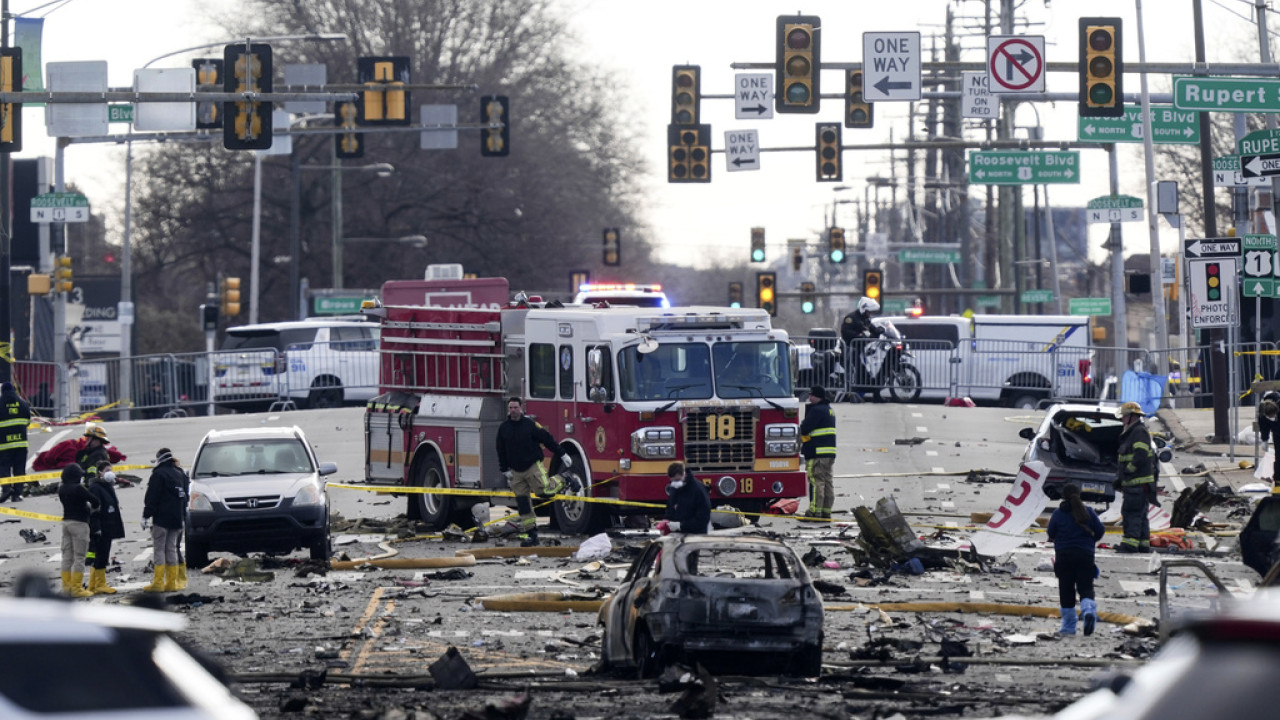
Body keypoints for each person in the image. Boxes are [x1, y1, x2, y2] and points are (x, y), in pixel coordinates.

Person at [496, 397, 580, 547]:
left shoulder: (530, 425)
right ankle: (532, 535)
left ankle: (565, 479)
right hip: (515, 472)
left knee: (544, 491)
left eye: (515, 407)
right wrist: (504, 469)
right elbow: (500, 450)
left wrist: (562, 454)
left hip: (532, 466)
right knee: (523, 504)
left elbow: (547, 439)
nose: (513, 410)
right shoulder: (504, 428)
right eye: (511, 408)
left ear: (521, 408)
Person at [1047, 483, 1105, 636]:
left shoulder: (1058, 514)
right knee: (1086, 587)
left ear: (1063, 496)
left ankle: (1069, 627)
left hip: (1064, 556)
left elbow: (1050, 533)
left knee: (1066, 590)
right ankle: (1088, 610)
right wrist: (1090, 540)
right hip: (1085, 555)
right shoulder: (1089, 512)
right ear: (1079, 495)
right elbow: (1100, 531)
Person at [142, 448, 188, 592]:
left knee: (159, 550)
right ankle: (171, 583)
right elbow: (185, 496)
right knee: (171, 549)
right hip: (177, 518)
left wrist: (146, 515)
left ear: (159, 459)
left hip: (161, 519)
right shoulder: (180, 473)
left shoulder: (158, 474)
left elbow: (152, 497)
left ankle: (158, 583)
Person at [1116, 401, 1156, 553]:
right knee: (1140, 514)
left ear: (1132, 416)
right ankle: (1143, 544)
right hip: (1137, 483)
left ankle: (1130, 545)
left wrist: (1128, 471)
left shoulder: (1138, 432)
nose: (1122, 419)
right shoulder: (1133, 431)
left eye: (1124, 416)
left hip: (1136, 482)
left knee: (1131, 513)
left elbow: (1140, 455)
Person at [57, 463, 98, 598]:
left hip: (66, 523)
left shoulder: (61, 489)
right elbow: (95, 500)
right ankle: (77, 588)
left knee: (67, 557)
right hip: (80, 524)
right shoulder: (79, 489)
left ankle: (66, 588)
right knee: (79, 557)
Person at [85, 461, 126, 595]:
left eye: (111, 469)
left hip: (108, 526)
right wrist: (96, 528)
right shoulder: (96, 488)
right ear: (100, 473)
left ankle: (93, 584)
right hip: (101, 527)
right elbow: (94, 510)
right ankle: (100, 584)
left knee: (102, 555)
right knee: (101, 555)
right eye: (107, 470)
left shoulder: (107, 486)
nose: (110, 472)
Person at [800, 385, 837, 521]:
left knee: (816, 482)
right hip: (829, 453)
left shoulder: (816, 410)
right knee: (827, 482)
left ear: (817, 396)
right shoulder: (829, 410)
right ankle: (826, 511)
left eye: (811, 395)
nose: (809, 398)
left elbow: (804, 428)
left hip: (817, 453)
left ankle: (814, 512)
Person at [656, 461, 710, 535]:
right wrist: (666, 520)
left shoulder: (698, 490)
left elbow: (703, 519)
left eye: (677, 480)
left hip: (696, 535)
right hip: (677, 534)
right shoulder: (674, 488)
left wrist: (681, 525)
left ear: (684, 474)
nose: (675, 483)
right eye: (673, 480)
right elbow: (670, 508)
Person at [0, 382, 32, 503]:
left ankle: (6, 489)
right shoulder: (23, 404)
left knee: (4, 468)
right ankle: (17, 494)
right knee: (19, 469)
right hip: (21, 444)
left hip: (4, 445)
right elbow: (28, 421)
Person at [1259, 394, 1280, 484]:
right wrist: (1264, 439)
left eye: (1274, 416)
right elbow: (1264, 428)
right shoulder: (1262, 416)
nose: (1272, 418)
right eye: (1270, 417)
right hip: (1277, 434)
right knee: (1278, 456)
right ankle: (1278, 479)